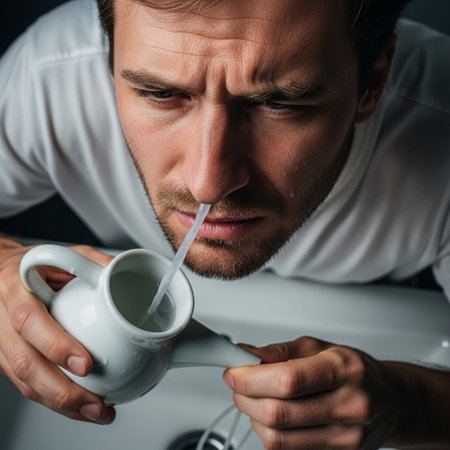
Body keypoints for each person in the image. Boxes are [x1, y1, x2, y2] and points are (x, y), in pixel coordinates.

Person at [0, 0, 449, 447]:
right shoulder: (50, 77)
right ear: (110, 58)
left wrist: (416, 403)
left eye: (278, 103)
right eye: (160, 93)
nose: (208, 185)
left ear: (371, 83)